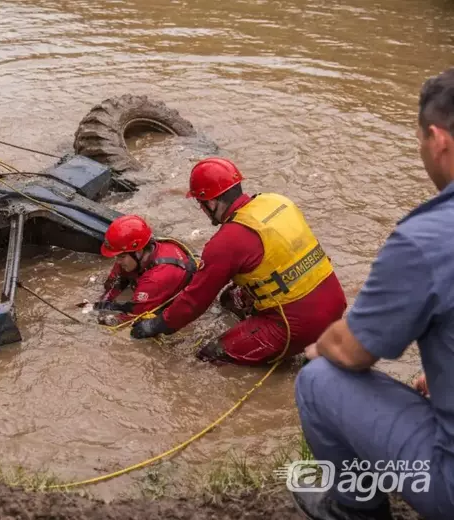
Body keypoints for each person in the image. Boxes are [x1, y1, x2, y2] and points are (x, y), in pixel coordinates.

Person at [291, 68, 454, 520]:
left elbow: (354, 352)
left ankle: (354, 508)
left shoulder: (428, 237)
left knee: (320, 379)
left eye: (420, 139)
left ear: (438, 139)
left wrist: (320, 346)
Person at [129, 157, 347, 365]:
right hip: (336, 304)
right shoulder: (277, 201)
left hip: (296, 327)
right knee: (230, 298)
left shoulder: (226, 242)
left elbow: (194, 302)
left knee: (210, 354)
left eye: (201, 204)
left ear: (211, 203)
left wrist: (156, 325)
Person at [95, 214, 198, 326]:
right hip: (155, 274)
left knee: (137, 329)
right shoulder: (132, 254)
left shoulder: (155, 279)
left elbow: (131, 318)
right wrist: (101, 303)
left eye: (121, 257)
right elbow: (113, 283)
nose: (118, 261)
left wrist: (101, 322)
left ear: (138, 251)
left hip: (176, 293)